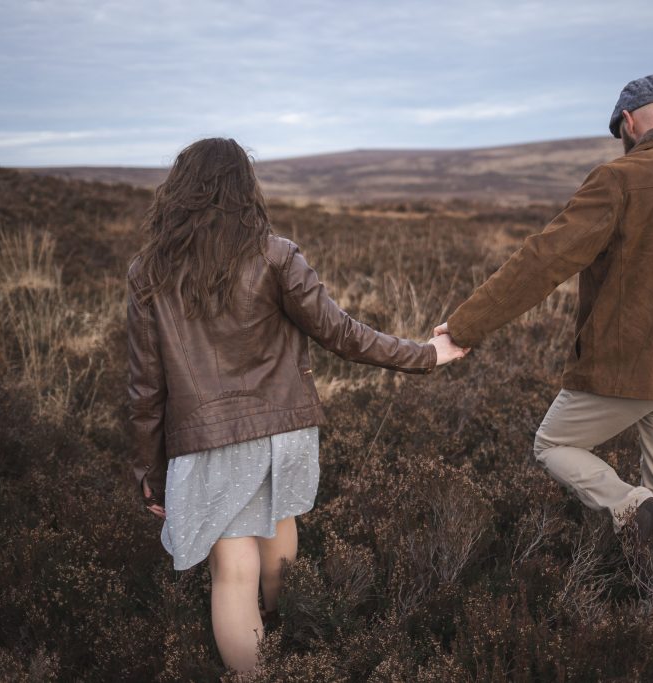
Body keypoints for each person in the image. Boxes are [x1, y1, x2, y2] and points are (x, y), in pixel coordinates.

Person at [126, 137, 468, 673]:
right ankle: (285, 635)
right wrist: (425, 354)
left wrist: (150, 467)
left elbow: (145, 387)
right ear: (246, 189)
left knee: (232, 571)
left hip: (207, 435)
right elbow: (343, 334)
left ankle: (261, 668)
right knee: (279, 522)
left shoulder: (149, 272)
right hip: (285, 432)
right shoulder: (275, 254)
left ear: (179, 191)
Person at [436, 74, 653, 546]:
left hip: (631, 365)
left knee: (554, 445)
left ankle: (633, 509)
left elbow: (544, 259)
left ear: (628, 123)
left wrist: (465, 327)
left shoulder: (619, 179)